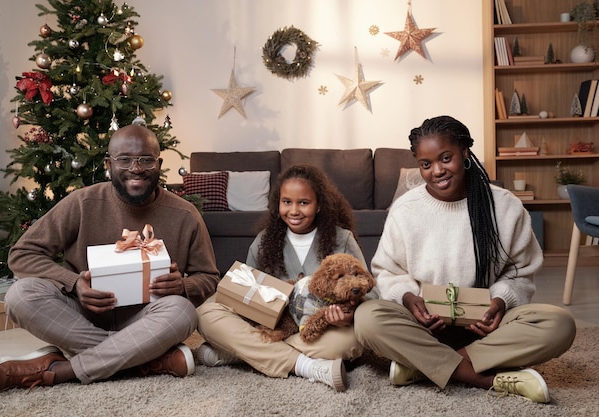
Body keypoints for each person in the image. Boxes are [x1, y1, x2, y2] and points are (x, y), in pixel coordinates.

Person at [0, 124, 220, 395]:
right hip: (81, 318)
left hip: (145, 319)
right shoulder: (82, 202)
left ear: (159, 164)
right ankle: (144, 359)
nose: (135, 168)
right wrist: (74, 282)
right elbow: (21, 254)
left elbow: (209, 277)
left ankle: (58, 372)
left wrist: (183, 287)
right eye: (124, 159)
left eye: (146, 159)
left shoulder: (185, 214)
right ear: (108, 164)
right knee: (20, 295)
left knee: (182, 312)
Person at [354, 115, 576, 403]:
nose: (437, 170)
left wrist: (501, 301)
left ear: (465, 153)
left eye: (446, 158)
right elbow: (387, 271)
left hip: (487, 332)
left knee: (559, 324)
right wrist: (409, 298)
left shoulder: (505, 206)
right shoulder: (405, 210)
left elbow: (521, 271)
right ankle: (481, 376)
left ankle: (424, 367)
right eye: (426, 164)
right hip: (424, 329)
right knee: (367, 319)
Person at [196, 164, 369, 391]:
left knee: (351, 341)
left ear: (319, 206)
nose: (294, 210)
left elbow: (369, 291)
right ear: (277, 204)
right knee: (205, 313)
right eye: (287, 202)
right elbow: (243, 295)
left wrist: (345, 317)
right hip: (271, 324)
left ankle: (240, 353)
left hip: (321, 331)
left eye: (304, 203)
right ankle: (305, 365)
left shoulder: (342, 239)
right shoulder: (263, 240)